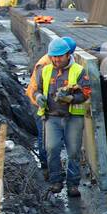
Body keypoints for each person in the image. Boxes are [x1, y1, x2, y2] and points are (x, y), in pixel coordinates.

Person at [34, 36, 91, 197]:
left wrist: (71, 98)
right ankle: (55, 181)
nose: (56, 60)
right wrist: (39, 97)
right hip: (51, 117)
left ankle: (73, 184)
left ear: (67, 55)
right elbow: (37, 89)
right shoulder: (45, 70)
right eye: (53, 56)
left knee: (73, 151)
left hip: (73, 117)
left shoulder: (78, 70)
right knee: (52, 148)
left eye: (59, 56)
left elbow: (86, 93)